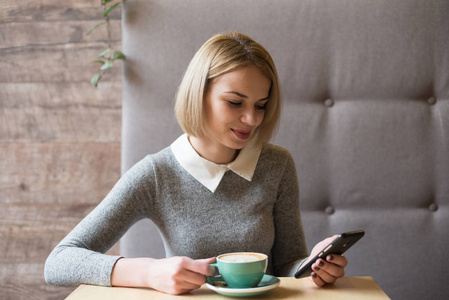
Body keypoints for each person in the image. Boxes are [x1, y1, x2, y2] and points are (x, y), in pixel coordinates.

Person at [44, 32, 347, 295]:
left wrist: (314, 267)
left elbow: (286, 265)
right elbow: (60, 262)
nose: (252, 119)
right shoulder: (157, 173)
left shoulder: (277, 165)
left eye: (261, 106)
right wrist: (150, 272)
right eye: (235, 102)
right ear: (198, 95)